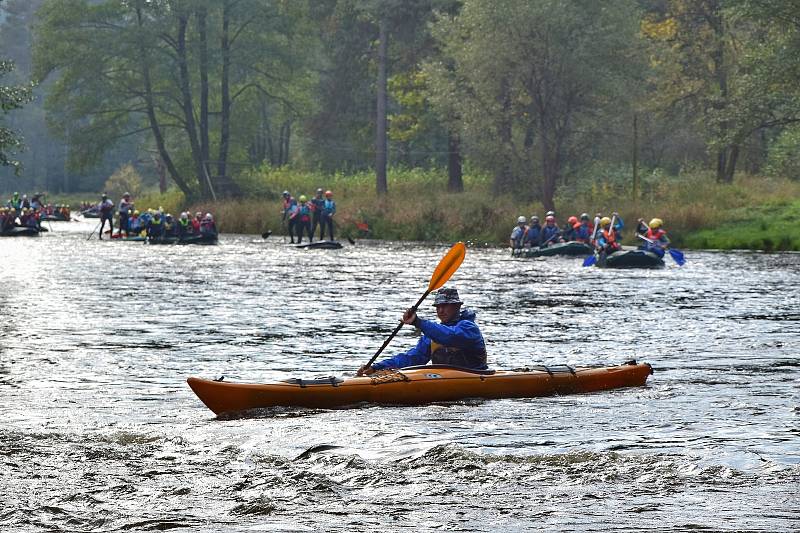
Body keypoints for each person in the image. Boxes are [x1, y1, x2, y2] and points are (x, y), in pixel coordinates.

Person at [357, 287, 487, 375]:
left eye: (445, 305)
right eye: (438, 307)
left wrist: (418, 322)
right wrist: (376, 367)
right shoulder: (432, 335)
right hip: (444, 379)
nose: (441, 311)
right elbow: (412, 359)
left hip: (476, 376)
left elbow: (449, 336)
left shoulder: (469, 328)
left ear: (457, 306)